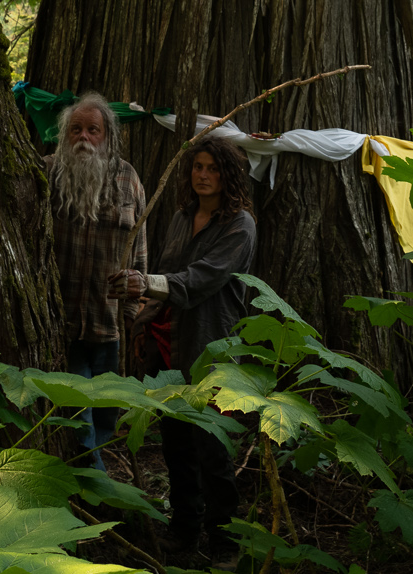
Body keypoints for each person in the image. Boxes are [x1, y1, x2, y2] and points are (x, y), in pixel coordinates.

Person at [121, 133, 257, 565]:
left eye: (213, 168)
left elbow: (202, 280)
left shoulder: (239, 225)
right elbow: (165, 268)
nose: (203, 175)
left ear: (228, 174)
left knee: (213, 451)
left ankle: (224, 544)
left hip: (211, 350)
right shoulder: (182, 217)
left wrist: (149, 284)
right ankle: (184, 531)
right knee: (175, 445)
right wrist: (143, 313)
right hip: (170, 345)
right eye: (198, 167)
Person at [45, 93, 148, 463]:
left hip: (108, 327)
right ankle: (97, 494)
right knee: (80, 426)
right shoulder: (47, 173)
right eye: (76, 129)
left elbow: (138, 251)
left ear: (107, 136)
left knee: (106, 419)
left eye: (93, 130)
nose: (84, 137)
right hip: (63, 324)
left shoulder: (128, 177)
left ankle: (93, 485)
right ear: (64, 134)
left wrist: (133, 314)